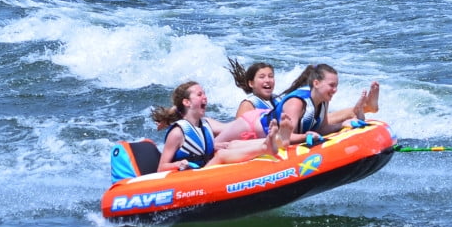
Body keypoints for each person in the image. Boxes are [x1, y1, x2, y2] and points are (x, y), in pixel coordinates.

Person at [148, 81, 283, 172]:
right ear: (187, 102)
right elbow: (161, 168)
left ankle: (275, 141)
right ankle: (264, 148)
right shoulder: (178, 133)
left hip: (204, 170)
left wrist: (215, 146)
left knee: (232, 144)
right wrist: (178, 164)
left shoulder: (205, 125)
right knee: (222, 155)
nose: (205, 97)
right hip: (189, 177)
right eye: (199, 94)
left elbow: (201, 149)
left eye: (204, 93)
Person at [272, 63, 379, 148]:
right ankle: (365, 107)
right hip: (266, 134)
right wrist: (305, 137)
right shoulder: (296, 103)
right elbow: (285, 137)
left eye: (336, 86)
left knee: (343, 118)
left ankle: (364, 108)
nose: (335, 90)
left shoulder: (323, 100)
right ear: (316, 83)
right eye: (331, 85)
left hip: (298, 130)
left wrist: (342, 125)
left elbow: (322, 129)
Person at [227, 57, 278, 136]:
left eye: (271, 76)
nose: (268, 80)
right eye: (262, 77)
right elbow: (239, 135)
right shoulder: (248, 105)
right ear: (251, 83)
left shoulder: (278, 99)